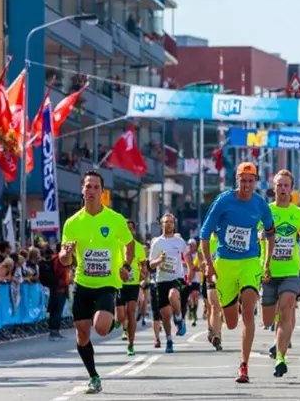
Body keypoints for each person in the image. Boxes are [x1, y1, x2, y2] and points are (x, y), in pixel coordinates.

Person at [200, 162, 275, 383]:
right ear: (237, 180)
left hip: (250, 261)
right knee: (231, 322)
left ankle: (244, 365)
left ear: (255, 182)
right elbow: (204, 234)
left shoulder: (261, 204)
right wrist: (208, 263)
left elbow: (270, 232)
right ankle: (224, 315)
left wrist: (267, 262)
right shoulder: (224, 201)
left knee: (249, 308)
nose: (247, 185)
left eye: (251, 181)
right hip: (225, 263)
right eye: (243, 180)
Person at [60, 171, 133, 394]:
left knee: (101, 328)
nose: (91, 191)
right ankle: (94, 376)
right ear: (82, 190)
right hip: (83, 283)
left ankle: (111, 320)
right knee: (82, 335)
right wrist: (67, 253)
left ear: (102, 192)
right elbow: (65, 259)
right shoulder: (72, 223)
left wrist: (126, 267)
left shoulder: (115, 220)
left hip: (107, 283)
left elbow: (129, 245)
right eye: (88, 186)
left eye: (96, 187)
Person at [260, 170, 300, 377]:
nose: (282, 189)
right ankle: (277, 338)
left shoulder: (298, 213)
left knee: (287, 307)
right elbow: (256, 234)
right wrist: (261, 235)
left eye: (286, 185)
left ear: (291, 189)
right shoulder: (266, 211)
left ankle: (280, 357)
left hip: (290, 270)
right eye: (279, 185)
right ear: (274, 188)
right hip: (269, 270)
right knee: (268, 320)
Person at [149, 213, 190, 353]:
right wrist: (159, 260)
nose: (168, 224)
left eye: (171, 222)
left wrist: (189, 269)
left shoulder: (179, 241)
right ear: (162, 224)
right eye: (166, 222)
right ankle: (169, 339)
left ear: (174, 224)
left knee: (173, 296)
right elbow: (151, 264)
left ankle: (179, 317)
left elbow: (187, 255)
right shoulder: (157, 243)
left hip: (176, 277)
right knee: (165, 315)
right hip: (161, 280)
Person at [115, 220, 146, 356]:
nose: (128, 231)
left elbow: (143, 265)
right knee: (121, 315)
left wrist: (143, 276)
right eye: (125, 229)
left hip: (133, 284)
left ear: (133, 231)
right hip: (119, 284)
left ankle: (131, 344)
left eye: (130, 229)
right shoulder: (116, 245)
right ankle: (122, 325)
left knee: (131, 312)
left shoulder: (138, 247)